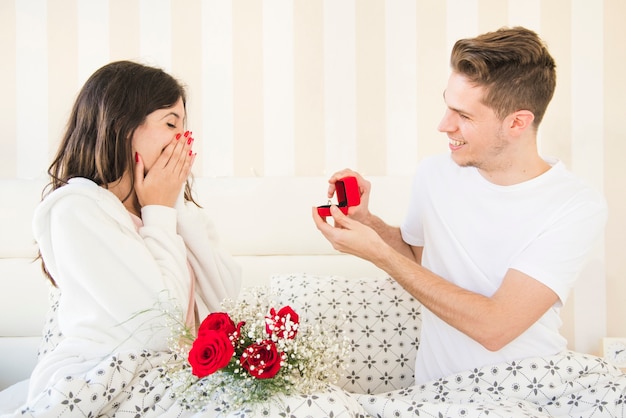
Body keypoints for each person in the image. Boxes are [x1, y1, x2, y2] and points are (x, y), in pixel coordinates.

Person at [313, 27, 608, 386]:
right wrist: (367, 221)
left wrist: (379, 256)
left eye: (464, 116)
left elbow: (495, 327)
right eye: (447, 106)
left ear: (518, 122)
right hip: (436, 395)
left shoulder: (575, 205)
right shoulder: (435, 173)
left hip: (527, 386)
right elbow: (419, 262)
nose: (443, 125)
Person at [9, 60, 242, 416]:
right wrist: (160, 213)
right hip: (102, 379)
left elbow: (228, 303)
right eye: (170, 124)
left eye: (184, 129)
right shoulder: (77, 209)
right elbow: (158, 329)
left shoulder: (166, 210)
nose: (182, 141)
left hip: (172, 381)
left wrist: (171, 203)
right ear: (124, 125)